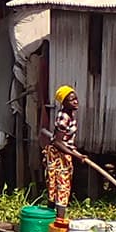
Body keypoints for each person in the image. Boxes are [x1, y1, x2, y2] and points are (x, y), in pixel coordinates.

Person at [42, 85, 84, 221]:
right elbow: (58, 142)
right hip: (57, 155)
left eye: (76, 98)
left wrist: (74, 151)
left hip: (63, 152)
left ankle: (53, 220)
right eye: (72, 100)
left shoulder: (70, 115)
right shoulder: (64, 117)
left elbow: (64, 141)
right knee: (61, 187)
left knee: (57, 187)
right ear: (64, 103)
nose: (76, 101)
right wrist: (76, 155)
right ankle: (58, 221)